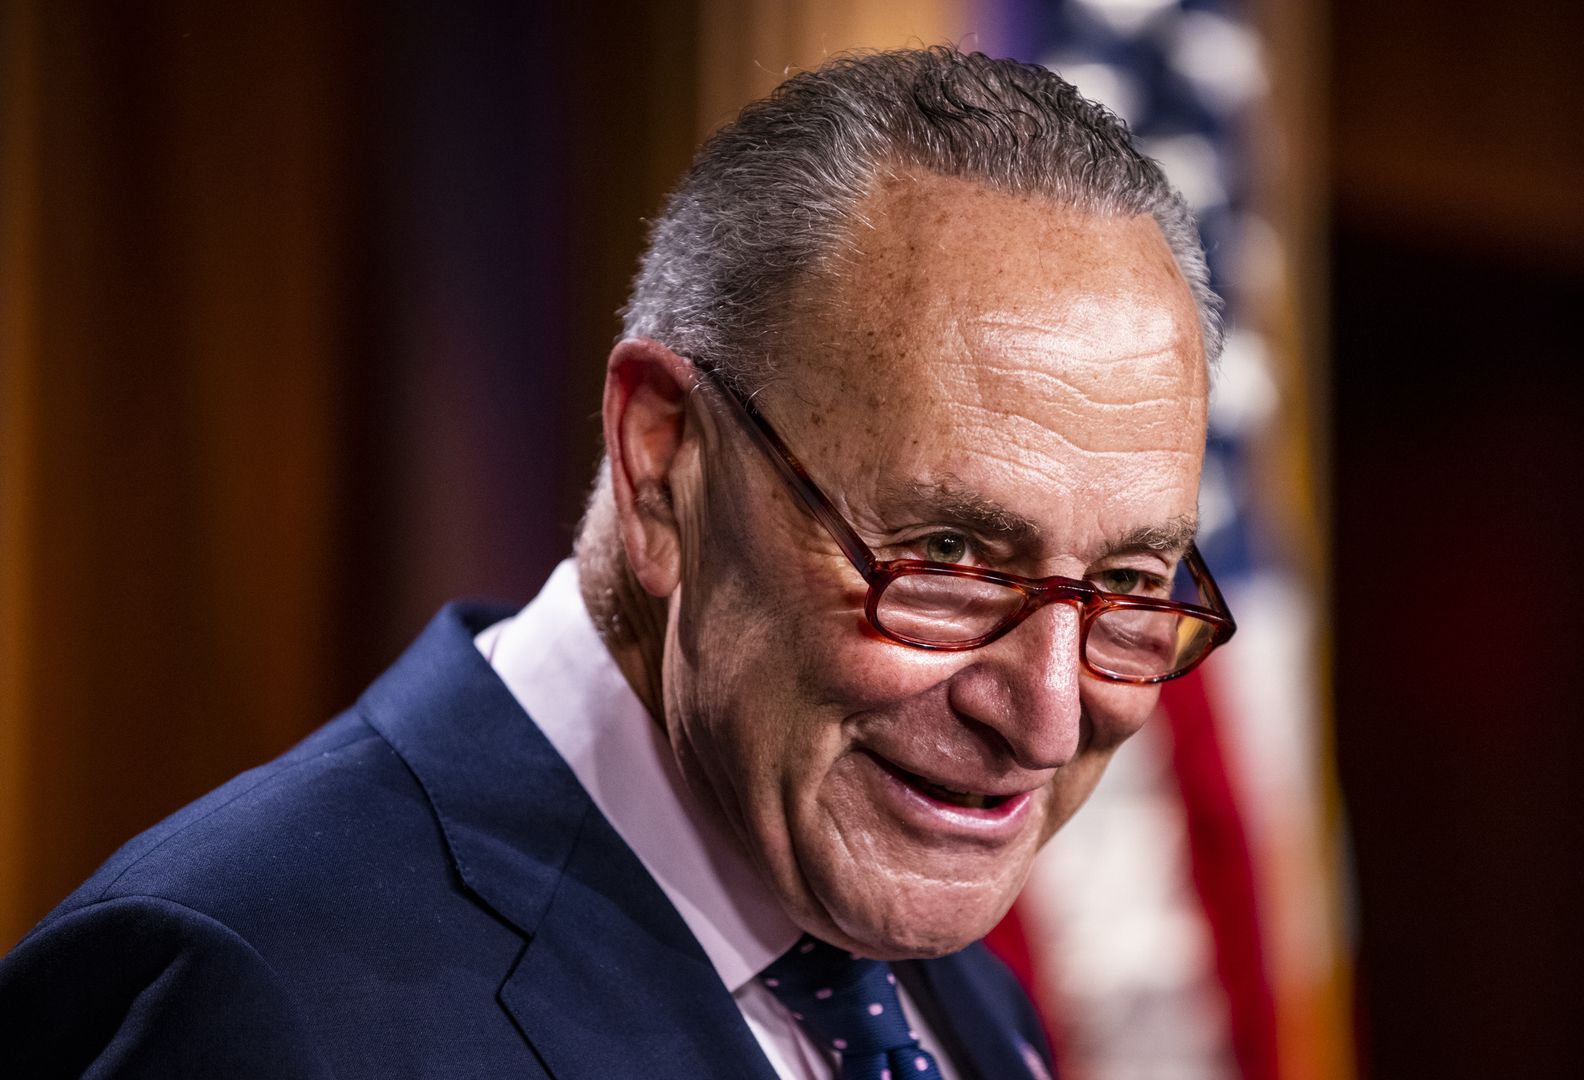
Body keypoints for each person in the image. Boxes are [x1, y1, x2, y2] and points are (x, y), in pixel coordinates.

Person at [0, 46, 1235, 1079]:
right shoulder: (265, 1001)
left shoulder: (963, 1007)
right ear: (663, 462)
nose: (1047, 711)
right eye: (951, 554)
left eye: (1129, 583)